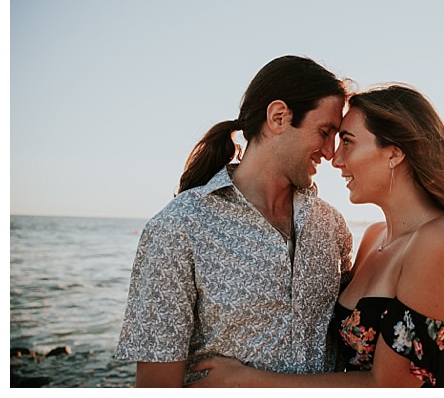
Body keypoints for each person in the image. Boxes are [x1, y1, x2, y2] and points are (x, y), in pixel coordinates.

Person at [189, 83, 444, 387]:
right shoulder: (374, 237)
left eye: (348, 141)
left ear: (394, 153)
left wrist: (248, 380)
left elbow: (391, 385)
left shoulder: (442, 239)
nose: (335, 159)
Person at [114, 55, 354, 386]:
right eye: (325, 132)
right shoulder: (179, 228)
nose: (330, 152)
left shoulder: (333, 228)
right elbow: (157, 383)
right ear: (279, 117)